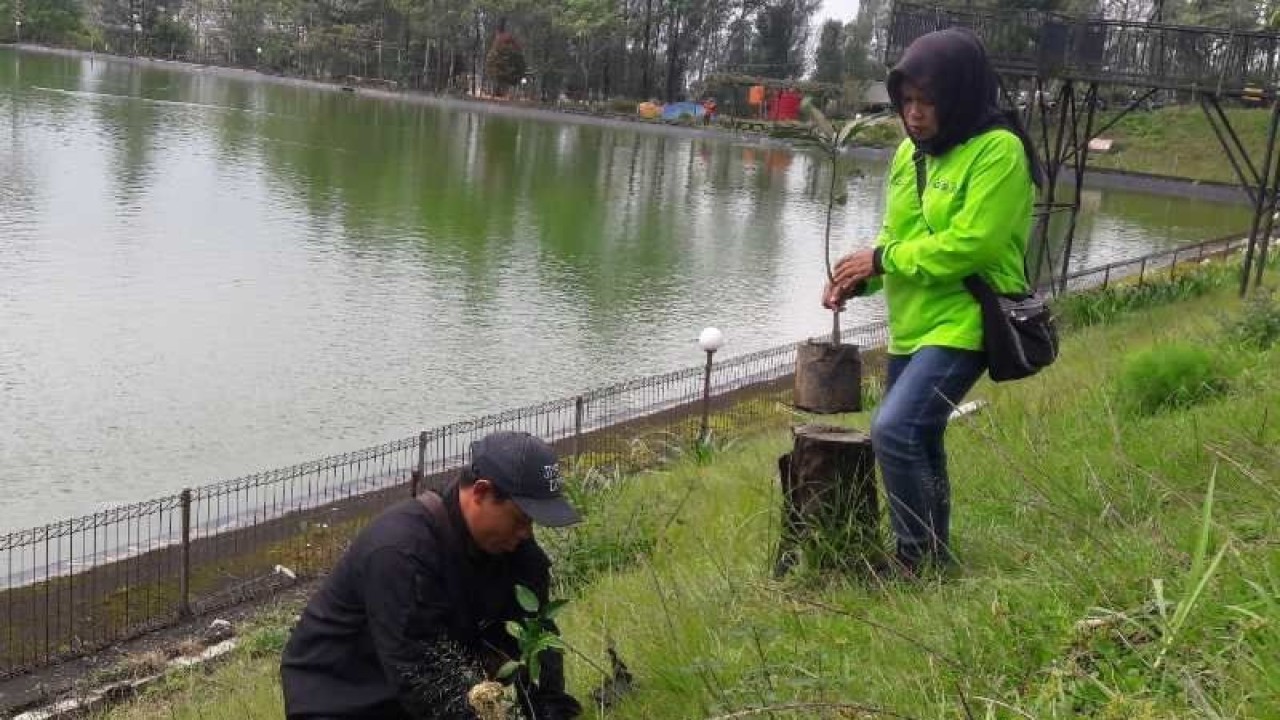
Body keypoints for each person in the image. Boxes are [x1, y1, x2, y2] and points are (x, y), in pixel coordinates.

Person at [821, 28, 1040, 573]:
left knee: (893, 430)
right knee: (922, 435)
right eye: (907, 102)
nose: (914, 115)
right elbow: (898, 238)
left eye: (928, 102)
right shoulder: (908, 154)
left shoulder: (998, 151)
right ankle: (936, 556)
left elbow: (973, 244)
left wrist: (883, 260)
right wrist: (858, 278)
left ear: (960, 96)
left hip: (968, 319)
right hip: (913, 323)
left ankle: (913, 560)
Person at [280, 430, 584, 719]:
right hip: (341, 703)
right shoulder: (401, 552)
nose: (525, 533)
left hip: (405, 696)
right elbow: (423, 679)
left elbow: (537, 642)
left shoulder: (516, 551)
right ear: (481, 492)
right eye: (520, 519)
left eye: (532, 523)